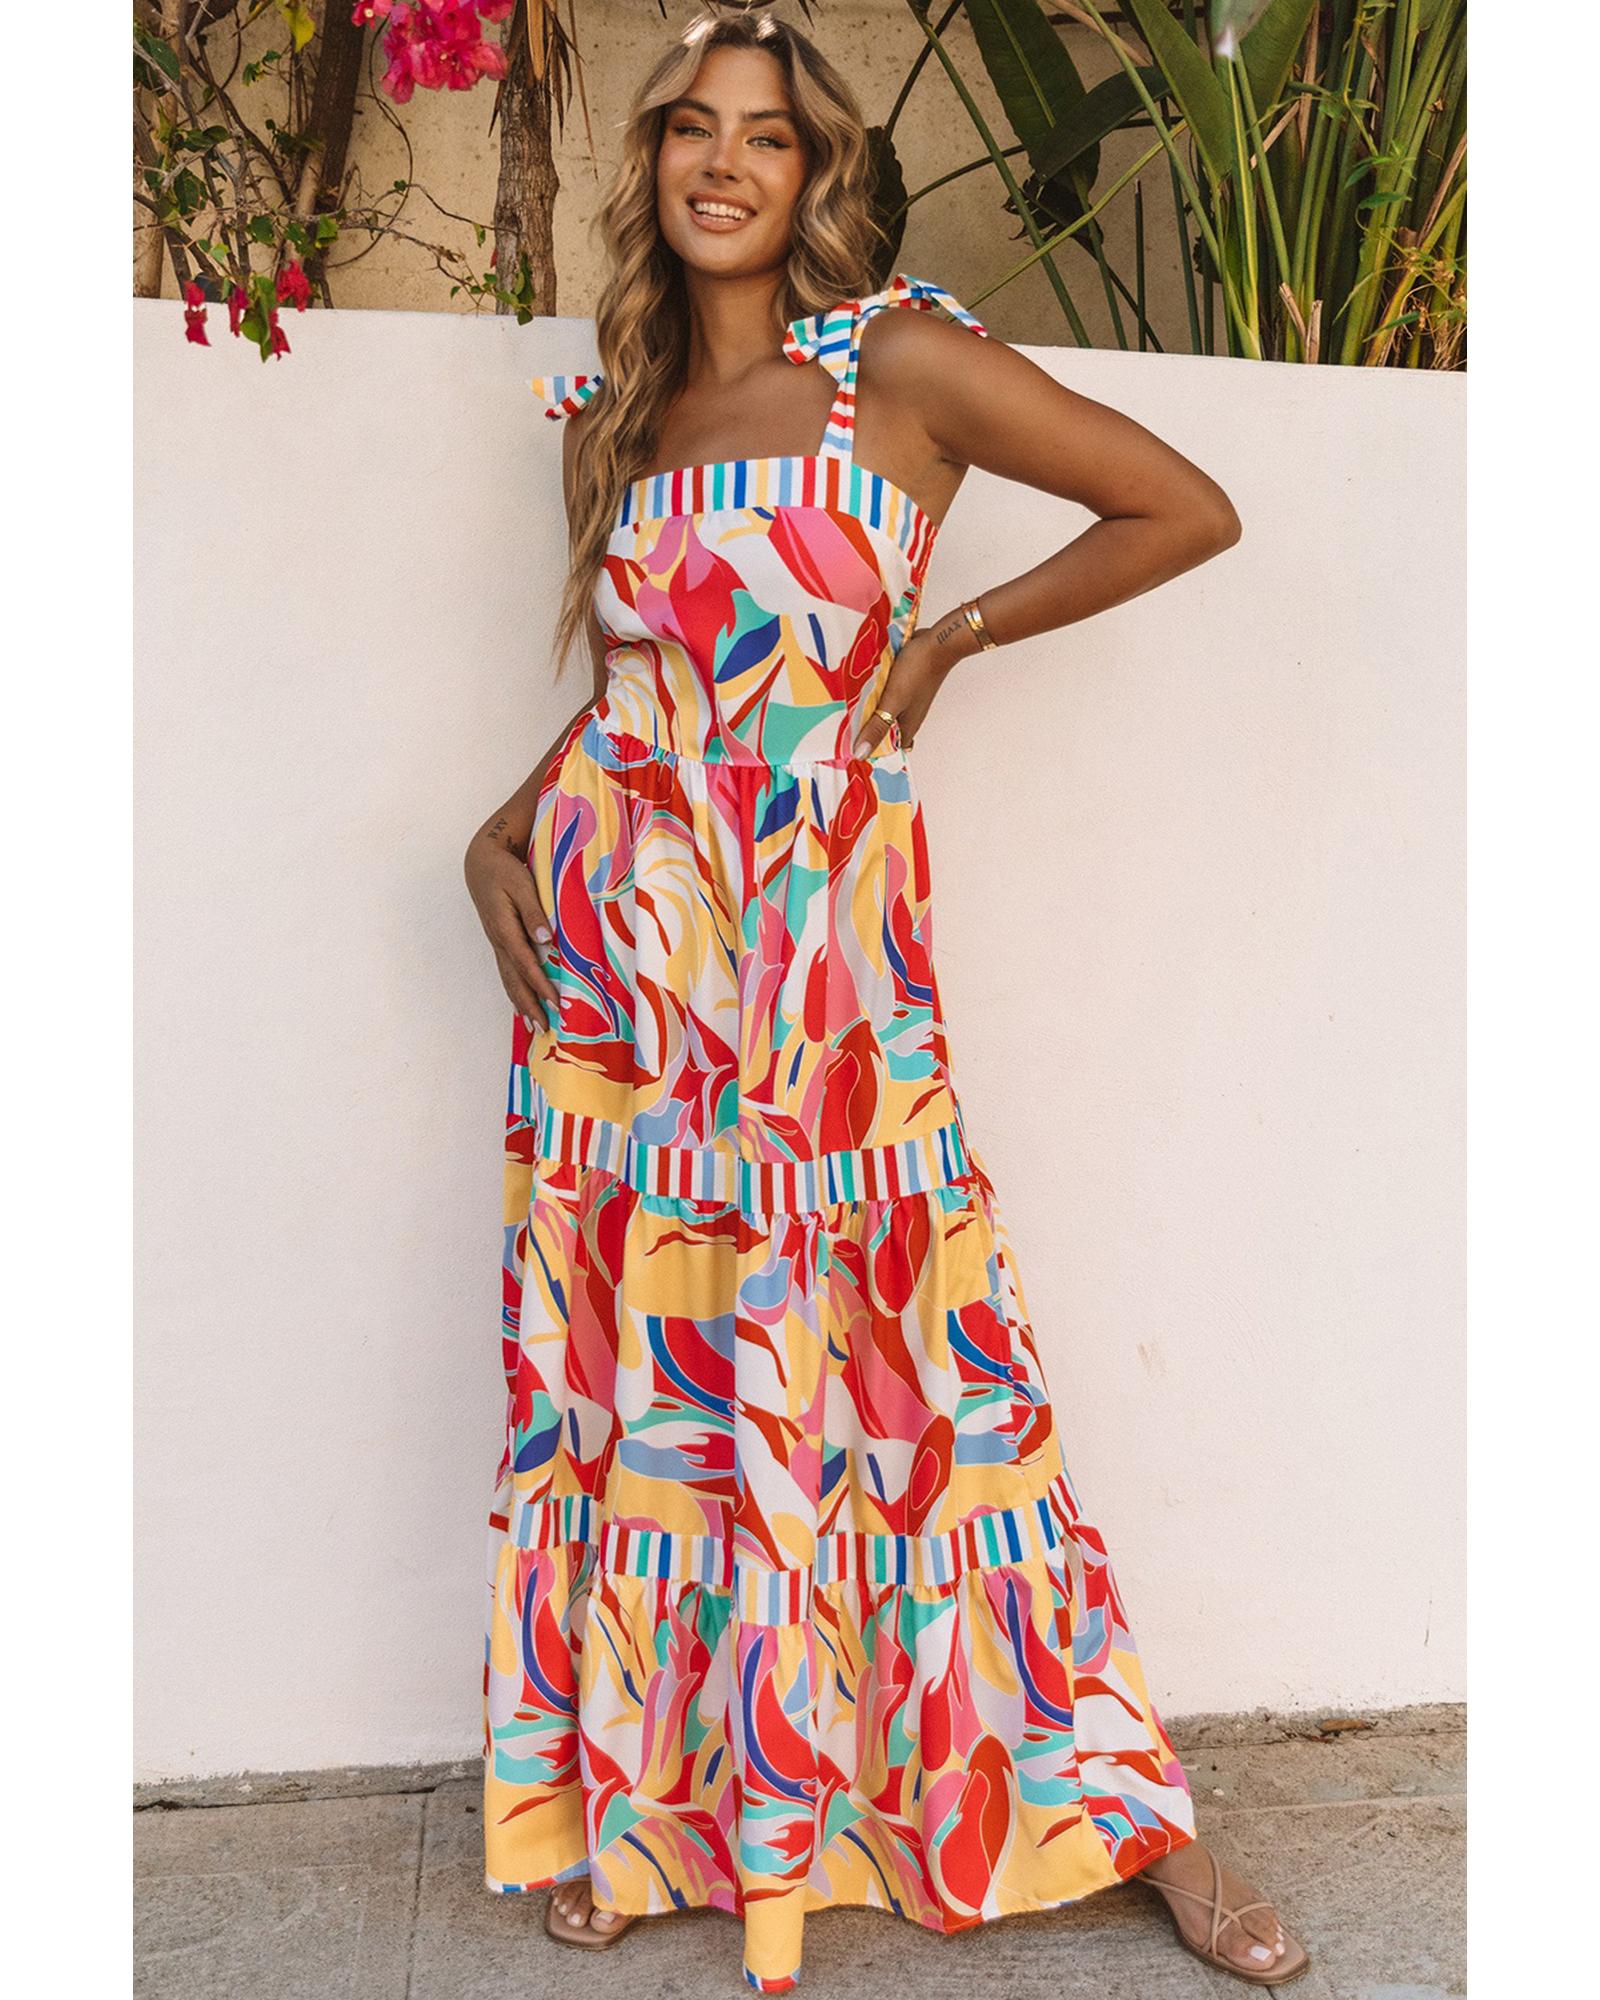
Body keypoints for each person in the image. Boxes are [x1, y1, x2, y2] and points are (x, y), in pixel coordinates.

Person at [463, 7, 1307, 1992]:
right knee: (659, 1384)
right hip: (632, 982)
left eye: (765, 136)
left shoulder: (896, 366)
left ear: (816, 173)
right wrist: (496, 829)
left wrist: (950, 637)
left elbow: (1184, 506)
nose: (722, 162)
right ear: (652, 166)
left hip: (826, 984)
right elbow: (651, 702)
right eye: (690, 128)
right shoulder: (615, 414)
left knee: (930, 1371)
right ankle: (655, 1804)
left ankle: (1130, 1811)